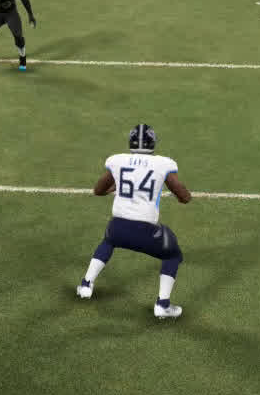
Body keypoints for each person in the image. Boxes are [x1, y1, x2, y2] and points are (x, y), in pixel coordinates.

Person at [76, 124, 190, 319]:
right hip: (145, 231)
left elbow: (98, 190)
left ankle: (86, 285)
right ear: (153, 142)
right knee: (173, 255)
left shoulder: (117, 160)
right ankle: (162, 305)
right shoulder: (163, 163)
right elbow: (182, 195)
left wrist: (116, 187)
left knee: (108, 241)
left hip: (117, 228)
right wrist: (184, 196)